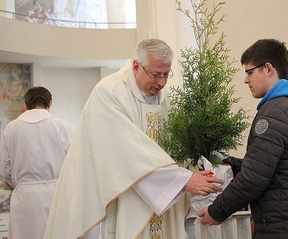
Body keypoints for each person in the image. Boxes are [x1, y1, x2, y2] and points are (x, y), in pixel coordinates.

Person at [44, 38, 224, 239]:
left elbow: (175, 151)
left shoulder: (166, 101)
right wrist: (182, 180)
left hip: (161, 206)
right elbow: (125, 153)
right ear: (136, 66)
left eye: (166, 74)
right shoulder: (109, 93)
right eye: (156, 75)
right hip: (119, 201)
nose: (162, 82)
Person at [197, 39, 288, 239]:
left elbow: (254, 178)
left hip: (285, 228)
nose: (246, 80)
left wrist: (217, 210)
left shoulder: (275, 111)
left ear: (268, 69)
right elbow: (280, 169)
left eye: (249, 72)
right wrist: (234, 164)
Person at [0, 86, 74, 239]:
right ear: (50, 103)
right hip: (55, 195)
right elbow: (73, 163)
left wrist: (20, 183)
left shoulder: (11, 128)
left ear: (26, 105)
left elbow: (5, 169)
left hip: (24, 198)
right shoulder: (62, 126)